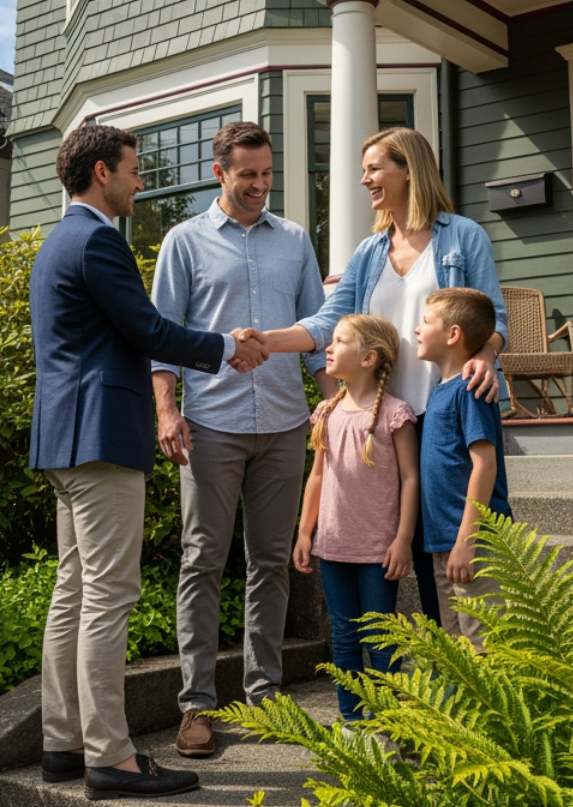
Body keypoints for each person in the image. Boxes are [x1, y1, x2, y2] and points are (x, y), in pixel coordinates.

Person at [29, 123, 266, 799]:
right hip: (101, 438)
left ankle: (63, 743)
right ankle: (111, 756)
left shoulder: (57, 240)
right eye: (133, 169)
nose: (141, 181)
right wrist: (227, 347)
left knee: (74, 591)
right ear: (101, 173)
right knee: (108, 595)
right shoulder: (98, 240)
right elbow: (150, 329)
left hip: (63, 440)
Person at [254, 127, 508, 622]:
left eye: (374, 168)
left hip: (444, 418)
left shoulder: (462, 237)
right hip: (387, 422)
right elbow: (331, 323)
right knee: (401, 554)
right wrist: (268, 340)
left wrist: (486, 354)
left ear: (408, 170)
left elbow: (493, 316)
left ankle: (464, 677)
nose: (365, 179)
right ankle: (423, 674)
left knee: (447, 551)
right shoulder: (370, 253)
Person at [150, 121, 338, 759]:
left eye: (267, 173)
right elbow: (163, 336)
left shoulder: (294, 241)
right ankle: (197, 706)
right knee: (202, 562)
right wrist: (166, 411)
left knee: (270, 565)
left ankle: (265, 695)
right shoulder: (183, 241)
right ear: (219, 172)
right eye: (248, 174)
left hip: (284, 423)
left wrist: (333, 401)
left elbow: (319, 326)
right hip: (210, 428)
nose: (260, 185)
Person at [292, 314, 419, 723]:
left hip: (379, 550)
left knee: (381, 639)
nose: (328, 348)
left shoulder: (395, 414)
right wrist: (304, 532)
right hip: (333, 546)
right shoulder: (326, 411)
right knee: (344, 637)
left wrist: (402, 540)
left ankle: (389, 725)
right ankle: (353, 723)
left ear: (368, 358)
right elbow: (316, 478)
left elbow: (411, 479)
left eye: (339, 340)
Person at [413, 288, 513, 650]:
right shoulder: (439, 391)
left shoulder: (471, 389)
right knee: (460, 651)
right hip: (443, 544)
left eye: (425, 322)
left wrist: (467, 542)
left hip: (473, 544)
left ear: (453, 335)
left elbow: (484, 465)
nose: (416, 329)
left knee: (487, 647)